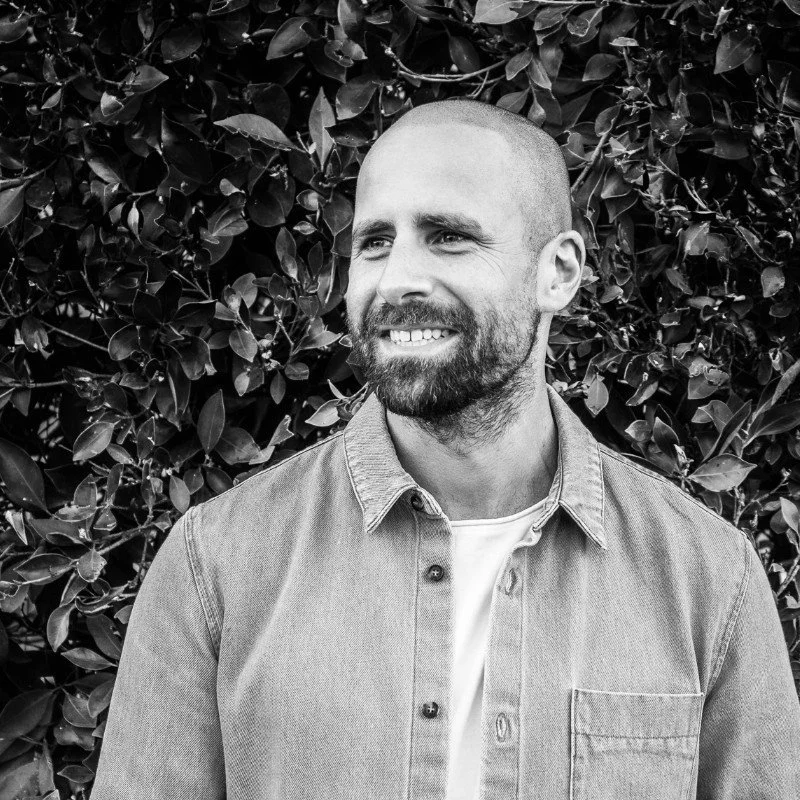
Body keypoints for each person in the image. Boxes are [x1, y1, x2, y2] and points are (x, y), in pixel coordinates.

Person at [90, 99, 800, 800]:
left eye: (448, 236)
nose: (397, 278)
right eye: (374, 243)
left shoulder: (708, 579)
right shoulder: (214, 567)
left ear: (557, 272)